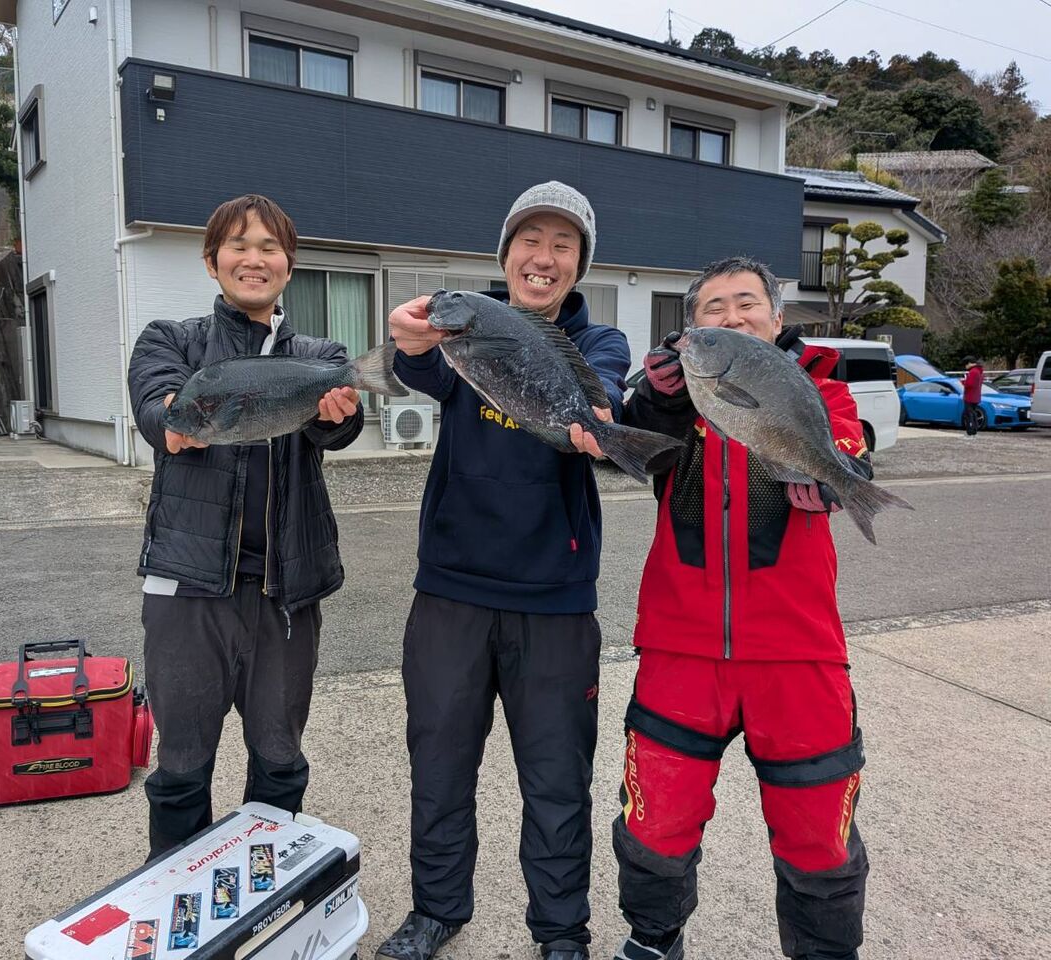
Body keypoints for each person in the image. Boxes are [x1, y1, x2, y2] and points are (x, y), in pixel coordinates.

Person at [375, 182, 632, 960]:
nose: (543, 258)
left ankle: (560, 932)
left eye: (562, 245)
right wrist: (409, 340)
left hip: (556, 598)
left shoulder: (599, 341)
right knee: (439, 767)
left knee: (557, 782)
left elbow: (606, 398)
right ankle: (437, 910)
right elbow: (418, 367)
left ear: (579, 263)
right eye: (531, 240)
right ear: (507, 253)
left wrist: (602, 424)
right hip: (450, 591)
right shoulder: (468, 324)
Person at [613, 256, 869, 960]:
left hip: (799, 650)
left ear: (777, 318)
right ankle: (654, 938)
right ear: (693, 325)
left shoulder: (820, 389)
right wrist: (657, 401)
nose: (733, 316)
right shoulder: (678, 396)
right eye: (714, 307)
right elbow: (636, 450)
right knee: (655, 819)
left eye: (748, 303)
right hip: (680, 648)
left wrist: (838, 476)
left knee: (818, 830)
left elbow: (849, 446)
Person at [127, 194, 364, 861]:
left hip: (286, 590)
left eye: (269, 247)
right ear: (212, 261)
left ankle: (265, 887)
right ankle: (177, 887)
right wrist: (178, 422)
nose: (253, 259)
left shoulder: (319, 354)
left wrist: (340, 414)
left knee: (280, 756)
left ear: (289, 265)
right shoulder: (171, 341)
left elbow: (336, 431)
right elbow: (158, 411)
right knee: (181, 762)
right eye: (238, 245)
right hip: (187, 587)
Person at [962, 356, 985, 437]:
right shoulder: (979, 371)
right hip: (976, 396)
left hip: (969, 397)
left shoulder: (973, 372)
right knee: (973, 414)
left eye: (965, 364)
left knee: (969, 415)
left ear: (969, 363)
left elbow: (969, 384)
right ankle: (974, 431)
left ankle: (970, 432)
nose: (965, 366)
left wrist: (963, 382)